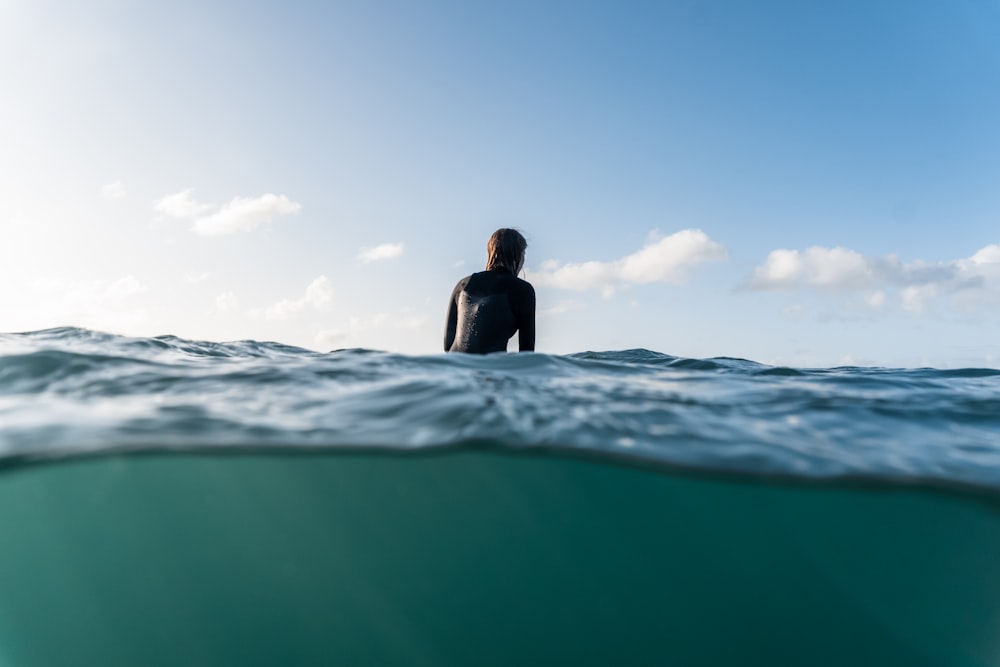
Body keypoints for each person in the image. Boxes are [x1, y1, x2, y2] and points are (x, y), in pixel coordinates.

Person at [444, 228, 536, 353]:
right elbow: (527, 352)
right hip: (490, 368)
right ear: (518, 256)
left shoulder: (463, 284)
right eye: (523, 254)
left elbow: (447, 344)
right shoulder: (523, 290)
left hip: (455, 365)